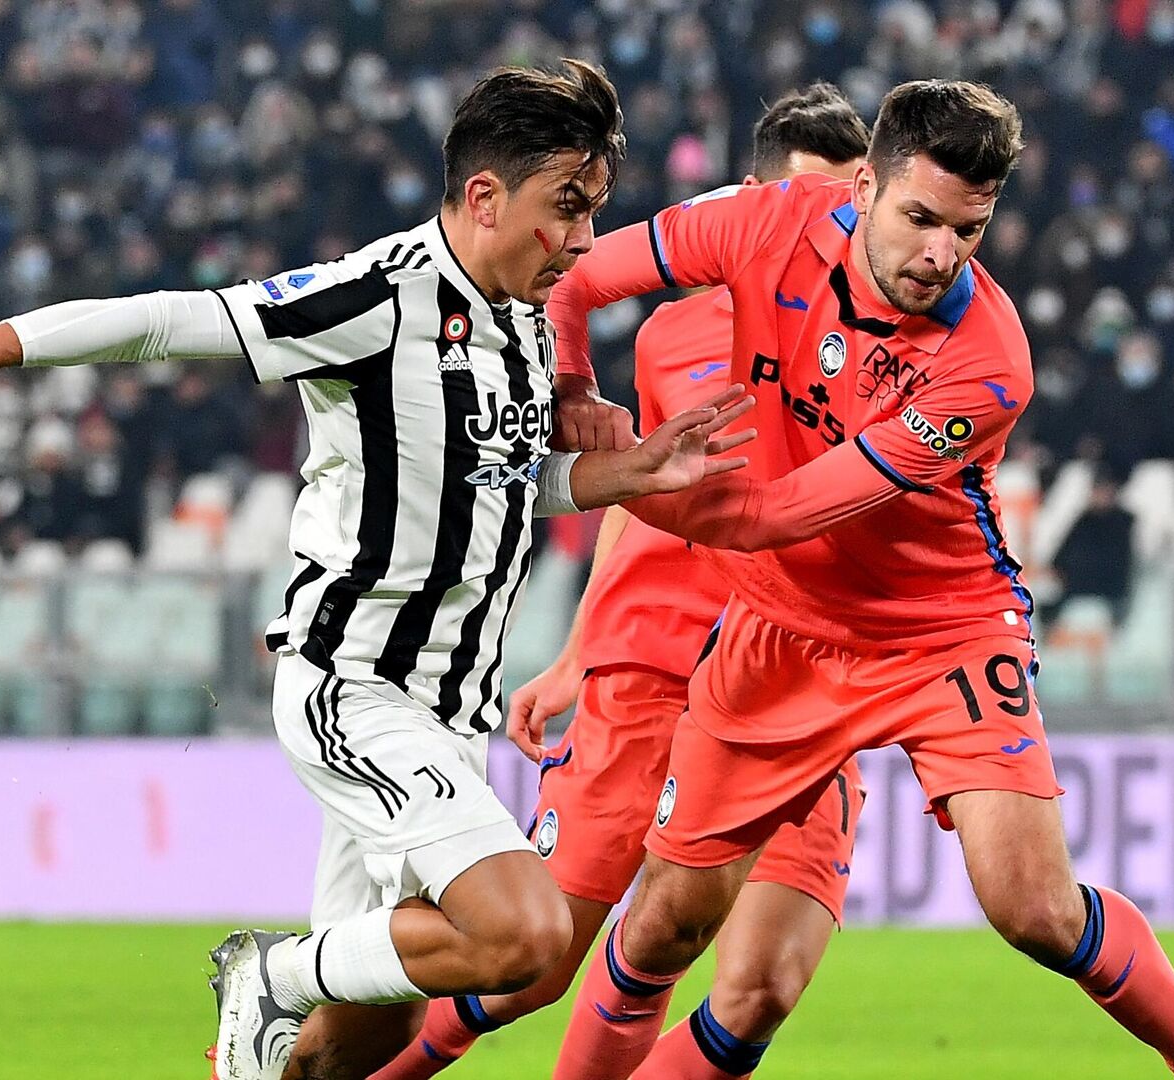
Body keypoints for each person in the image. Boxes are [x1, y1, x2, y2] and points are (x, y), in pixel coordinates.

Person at [0, 60, 754, 1080]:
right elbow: (172, 322)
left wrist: (622, 473)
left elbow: (501, 482)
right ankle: (273, 976)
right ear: (485, 196)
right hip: (357, 687)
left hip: (449, 711)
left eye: (593, 212)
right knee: (528, 938)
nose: (581, 240)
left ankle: (279, 1019)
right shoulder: (378, 296)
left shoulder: (521, 318)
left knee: (358, 1046)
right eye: (566, 209)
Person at [545, 80, 1174, 1080]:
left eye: (967, 230)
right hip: (782, 633)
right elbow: (571, 281)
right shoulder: (764, 223)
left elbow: (777, 514)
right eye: (920, 218)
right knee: (664, 926)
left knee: (1037, 910)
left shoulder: (987, 363)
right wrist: (573, 387)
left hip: (944, 632)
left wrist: (591, 485)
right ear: (864, 185)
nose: (939, 253)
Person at [362, 82, 872, 1080]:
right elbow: (641, 513)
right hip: (654, 670)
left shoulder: (881, 345)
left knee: (760, 988)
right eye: (807, 204)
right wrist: (579, 654)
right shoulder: (673, 334)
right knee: (531, 963)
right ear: (750, 204)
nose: (829, 227)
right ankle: (324, 1057)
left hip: (803, 684)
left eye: (846, 204)